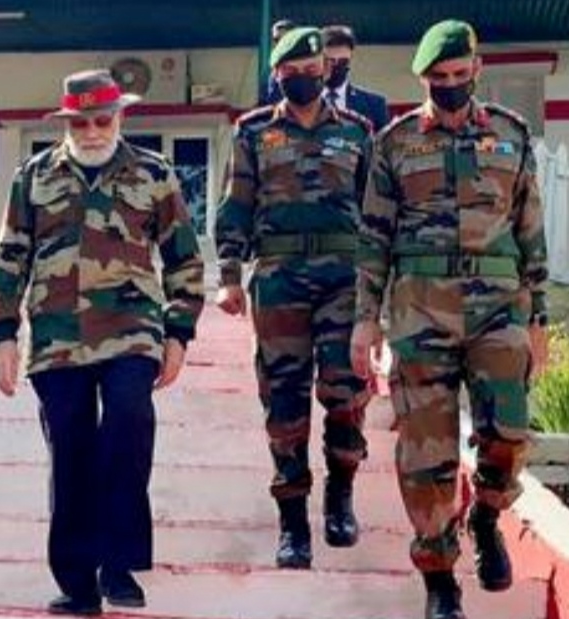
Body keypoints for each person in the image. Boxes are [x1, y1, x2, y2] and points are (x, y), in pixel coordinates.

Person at [0, 69, 204, 615]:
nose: (92, 132)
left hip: (132, 329)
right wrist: (2, 336)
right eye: (80, 123)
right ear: (66, 123)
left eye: (102, 120)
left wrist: (179, 332)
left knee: (130, 423)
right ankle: (78, 583)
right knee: (71, 451)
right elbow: (10, 256)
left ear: (119, 117)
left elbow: (183, 256)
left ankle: (119, 563)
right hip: (56, 336)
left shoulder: (154, 173)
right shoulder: (34, 176)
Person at [350, 20, 548, 619]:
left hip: (499, 310)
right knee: (425, 456)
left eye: (461, 74)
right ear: (423, 79)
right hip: (421, 312)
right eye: (440, 77)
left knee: (509, 434)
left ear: (478, 70)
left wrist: (538, 318)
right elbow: (374, 237)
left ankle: (486, 514)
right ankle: (439, 578)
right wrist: (366, 319)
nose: (452, 86)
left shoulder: (511, 135)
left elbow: (530, 231)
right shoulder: (395, 143)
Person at [215, 27, 372, 570]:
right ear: (276, 75)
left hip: (344, 279)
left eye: (311, 70)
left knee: (345, 390)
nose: (303, 78)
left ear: (324, 71)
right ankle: (292, 520)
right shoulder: (254, 132)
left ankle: (340, 493)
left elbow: (377, 213)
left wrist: (381, 289)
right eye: (292, 72)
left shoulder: (356, 131)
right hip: (279, 276)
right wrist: (229, 274)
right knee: (283, 396)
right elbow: (235, 205)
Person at [321, 25, 391, 131]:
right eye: (331, 61)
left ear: (351, 60)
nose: (336, 66)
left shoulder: (375, 104)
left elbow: (383, 140)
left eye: (343, 62)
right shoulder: (302, 102)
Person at [260, 18, 296, 106]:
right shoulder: (272, 70)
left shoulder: (305, 67)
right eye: (276, 40)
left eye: (284, 39)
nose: (280, 43)